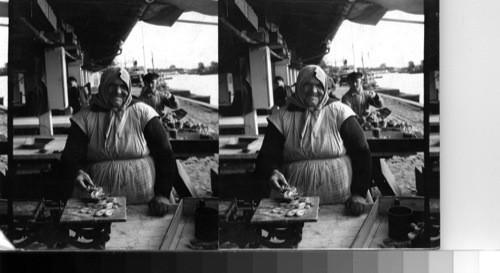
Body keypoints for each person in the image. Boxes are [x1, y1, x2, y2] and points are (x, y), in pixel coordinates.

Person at [255, 65, 372, 216]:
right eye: (307, 85)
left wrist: (359, 194)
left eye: (318, 85)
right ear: (298, 86)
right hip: (293, 205)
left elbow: (362, 153)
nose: (313, 90)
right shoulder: (281, 117)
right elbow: (266, 156)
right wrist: (273, 171)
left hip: (341, 202)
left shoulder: (339, 112)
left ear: (325, 88)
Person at [61, 67, 176, 216]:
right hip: (96, 204)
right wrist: (77, 172)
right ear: (102, 87)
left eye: (123, 86)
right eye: (111, 85)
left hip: (143, 202)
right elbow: (69, 157)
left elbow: (165, 154)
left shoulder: (143, 112)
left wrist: (162, 194)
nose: (118, 91)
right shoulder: (84, 117)